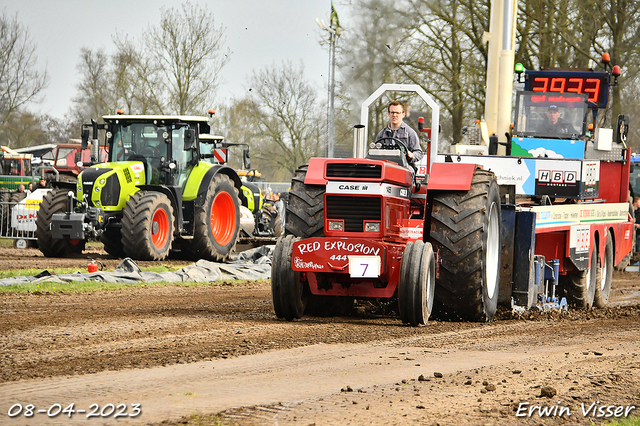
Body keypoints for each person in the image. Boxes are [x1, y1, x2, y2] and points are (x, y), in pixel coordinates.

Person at [375, 100, 423, 174]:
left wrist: (411, 155)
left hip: (405, 167)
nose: (394, 115)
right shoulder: (382, 134)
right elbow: (375, 153)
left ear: (403, 114)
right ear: (388, 114)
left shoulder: (410, 133)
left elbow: (419, 153)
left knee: (409, 172)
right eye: (392, 112)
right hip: (386, 167)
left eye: (397, 113)